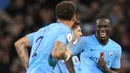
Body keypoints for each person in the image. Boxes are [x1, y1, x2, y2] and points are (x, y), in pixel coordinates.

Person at [14, 1, 77, 73]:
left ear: (57, 16)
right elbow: (57, 53)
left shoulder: (43, 30)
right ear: (74, 17)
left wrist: (29, 68)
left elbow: (19, 44)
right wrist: (68, 55)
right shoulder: (66, 30)